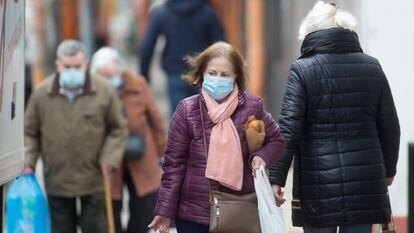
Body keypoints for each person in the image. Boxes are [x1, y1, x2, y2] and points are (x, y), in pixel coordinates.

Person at [269, 2, 401, 233]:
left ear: (310, 33)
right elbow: (390, 126)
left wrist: (276, 177)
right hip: (366, 180)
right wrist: (388, 170)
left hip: (319, 185)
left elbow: (289, 128)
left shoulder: (302, 69)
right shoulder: (372, 67)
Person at [148, 41, 285, 233]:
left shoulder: (252, 106)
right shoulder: (187, 110)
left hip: (239, 211)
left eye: (225, 74)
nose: (218, 79)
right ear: (202, 73)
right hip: (193, 214)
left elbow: (276, 140)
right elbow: (174, 165)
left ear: (235, 75)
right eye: (212, 73)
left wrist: (261, 157)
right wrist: (164, 211)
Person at [24, 40, 129, 233]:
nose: (72, 70)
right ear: (58, 65)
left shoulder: (104, 91)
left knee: (95, 227)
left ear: (86, 64)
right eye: (67, 66)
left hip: (95, 176)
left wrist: (110, 158)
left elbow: (118, 129)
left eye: (77, 66)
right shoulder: (41, 94)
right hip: (58, 178)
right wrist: (29, 161)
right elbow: (30, 132)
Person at [90, 47, 167, 233]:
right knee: (111, 208)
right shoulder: (92, 91)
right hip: (109, 158)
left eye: (112, 74)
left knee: (144, 208)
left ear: (120, 70)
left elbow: (156, 120)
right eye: (104, 75)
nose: (109, 79)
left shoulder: (138, 85)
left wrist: (162, 151)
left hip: (141, 154)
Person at [139, 0, 225, 114]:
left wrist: (144, 75)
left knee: (180, 122)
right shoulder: (208, 12)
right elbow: (220, 46)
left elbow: (147, 46)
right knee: (204, 120)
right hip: (203, 75)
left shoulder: (162, 12)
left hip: (176, 74)